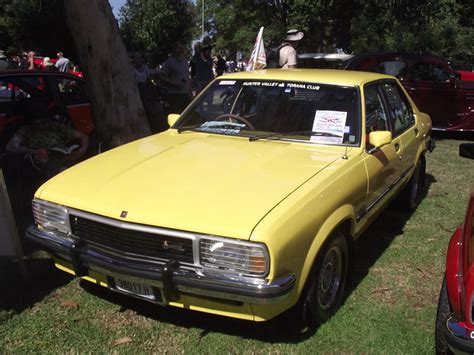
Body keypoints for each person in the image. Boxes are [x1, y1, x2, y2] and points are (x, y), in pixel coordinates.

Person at [5, 105, 89, 179]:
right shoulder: (25, 131)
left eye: (43, 122)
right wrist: (32, 151)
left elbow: (83, 137)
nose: (41, 125)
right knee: (61, 171)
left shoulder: (55, 127)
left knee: (83, 169)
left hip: (64, 156)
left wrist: (82, 150)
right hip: (43, 161)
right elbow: (10, 148)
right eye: (37, 123)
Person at [132, 52, 167, 133]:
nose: (138, 60)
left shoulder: (145, 68)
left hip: (148, 93)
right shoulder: (132, 70)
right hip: (139, 93)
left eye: (139, 58)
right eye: (136, 58)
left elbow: (149, 77)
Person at [160, 42, 192, 114]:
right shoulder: (169, 62)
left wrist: (190, 91)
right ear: (174, 50)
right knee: (176, 117)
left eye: (182, 48)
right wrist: (174, 83)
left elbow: (187, 77)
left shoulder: (185, 62)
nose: (181, 50)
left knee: (187, 116)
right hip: (174, 95)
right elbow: (162, 77)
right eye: (179, 48)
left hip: (185, 94)